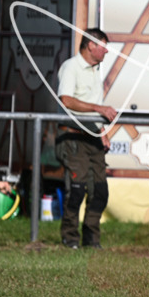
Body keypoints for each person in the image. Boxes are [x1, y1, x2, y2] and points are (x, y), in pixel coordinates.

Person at [56, 28, 117, 249]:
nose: (106, 52)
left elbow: (95, 111)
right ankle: (70, 237)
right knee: (78, 188)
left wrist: (104, 133)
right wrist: (98, 108)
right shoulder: (71, 67)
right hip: (72, 137)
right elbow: (66, 100)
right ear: (90, 45)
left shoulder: (95, 72)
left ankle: (91, 239)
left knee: (100, 190)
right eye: (103, 46)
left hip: (92, 138)